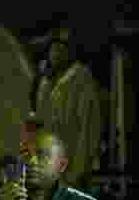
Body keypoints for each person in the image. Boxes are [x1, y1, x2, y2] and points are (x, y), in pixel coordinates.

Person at [31, 25, 103, 190]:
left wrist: (78, 171)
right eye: (53, 47)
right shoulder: (45, 83)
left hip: (72, 172)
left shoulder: (82, 80)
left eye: (62, 47)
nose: (55, 52)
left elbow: (89, 128)